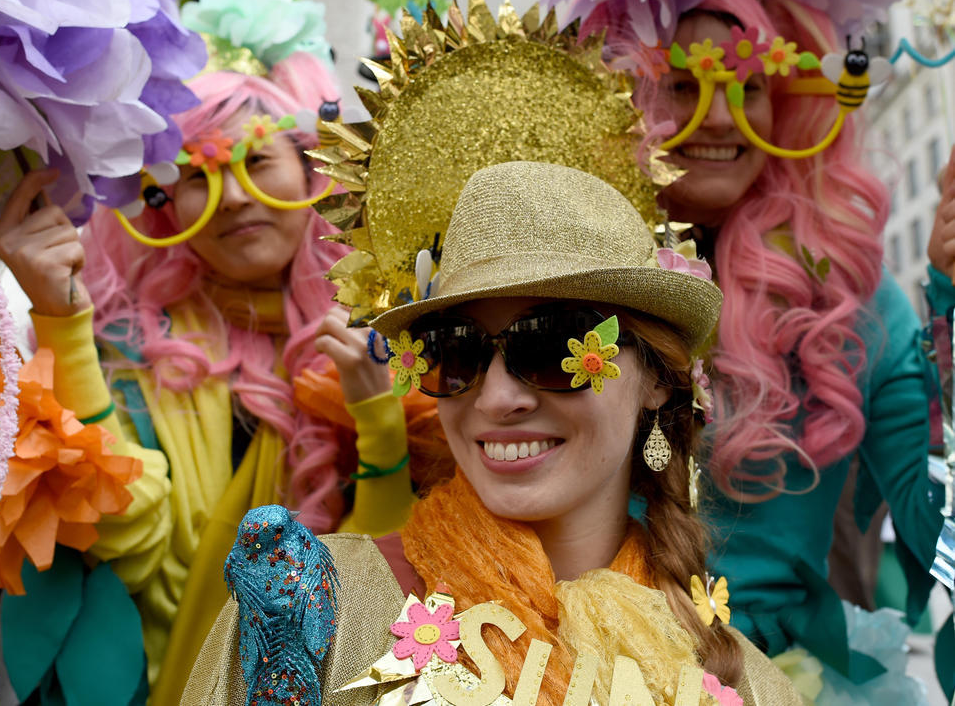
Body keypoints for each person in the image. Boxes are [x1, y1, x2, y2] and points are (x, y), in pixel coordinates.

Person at [183, 160, 803, 706]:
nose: (498, 397)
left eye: (554, 346)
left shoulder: (751, 689)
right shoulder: (310, 608)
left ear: (658, 381)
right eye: (457, 353)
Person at [0, 52, 424, 703]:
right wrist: (64, 324)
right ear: (165, 204)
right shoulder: (134, 346)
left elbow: (390, 582)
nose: (237, 196)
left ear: (312, 171)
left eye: (256, 162)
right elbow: (126, 541)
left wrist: (381, 427)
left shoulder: (397, 328)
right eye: (197, 174)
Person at [619, 0, 948, 699]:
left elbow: (939, 533)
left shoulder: (849, 304)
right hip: (588, 663)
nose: (717, 114)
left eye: (749, 86)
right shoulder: (570, 281)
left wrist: (951, 307)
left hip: (788, 679)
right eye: (682, 84)